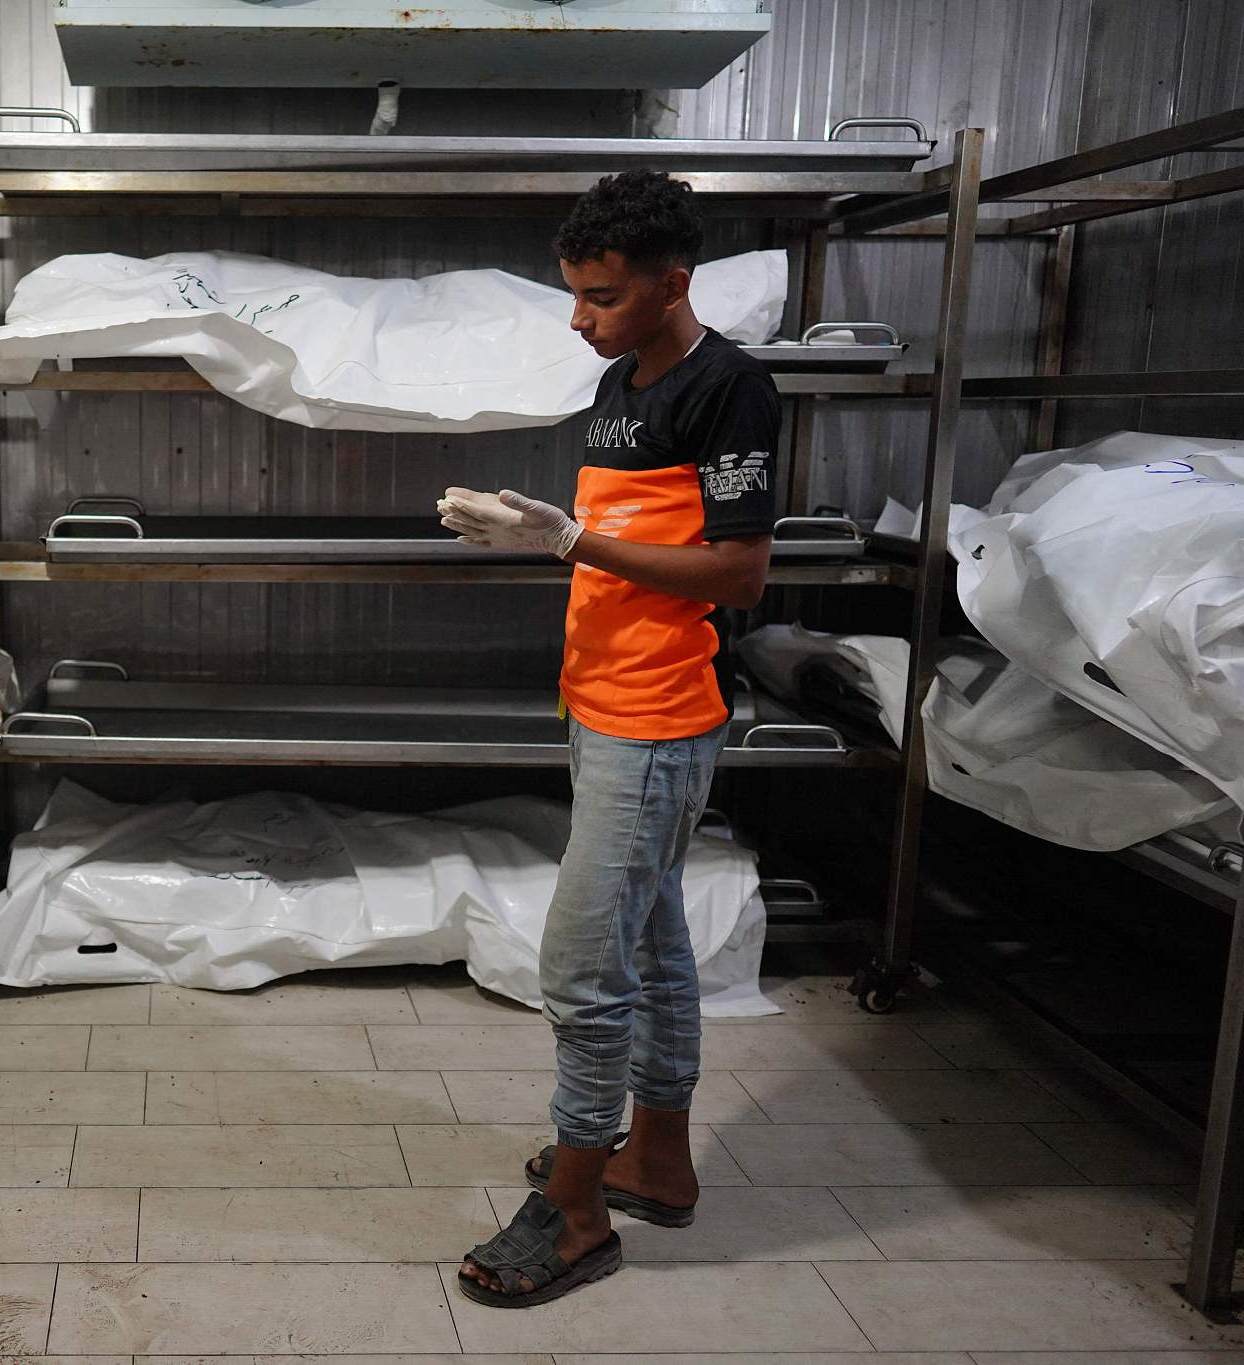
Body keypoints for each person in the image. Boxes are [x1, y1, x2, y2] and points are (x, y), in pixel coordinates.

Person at [439, 168, 780, 1308]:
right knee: (652, 943)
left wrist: (568, 541)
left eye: (598, 295)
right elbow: (626, 544)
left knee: (582, 970)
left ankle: (578, 1212)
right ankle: (659, 1160)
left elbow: (736, 570)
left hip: (657, 719)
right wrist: (541, 536)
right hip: (598, 705)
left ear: (670, 284)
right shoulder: (621, 383)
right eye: (572, 293)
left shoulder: (728, 389)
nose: (576, 318)